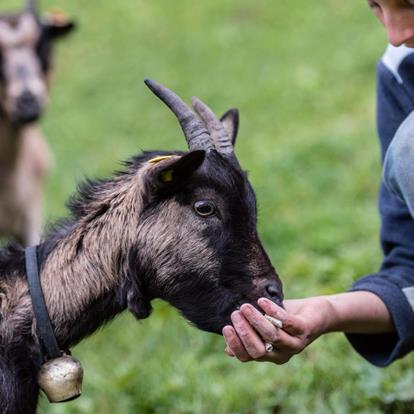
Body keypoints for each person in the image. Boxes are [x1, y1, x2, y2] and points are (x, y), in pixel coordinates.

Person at [223, 0, 414, 368]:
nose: (396, 33)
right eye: (375, 6)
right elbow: (410, 267)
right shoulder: (401, 72)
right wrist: (326, 311)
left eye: (408, 4)